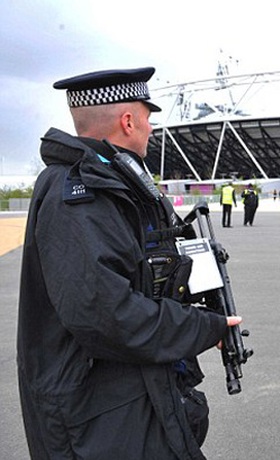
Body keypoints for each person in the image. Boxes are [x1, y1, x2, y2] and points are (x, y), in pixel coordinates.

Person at [17, 67, 241, 459]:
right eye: (148, 118)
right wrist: (201, 327)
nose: (152, 129)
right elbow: (107, 314)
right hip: (97, 417)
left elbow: (139, 274)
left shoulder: (114, 181)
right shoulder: (77, 194)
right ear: (128, 120)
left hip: (128, 400)